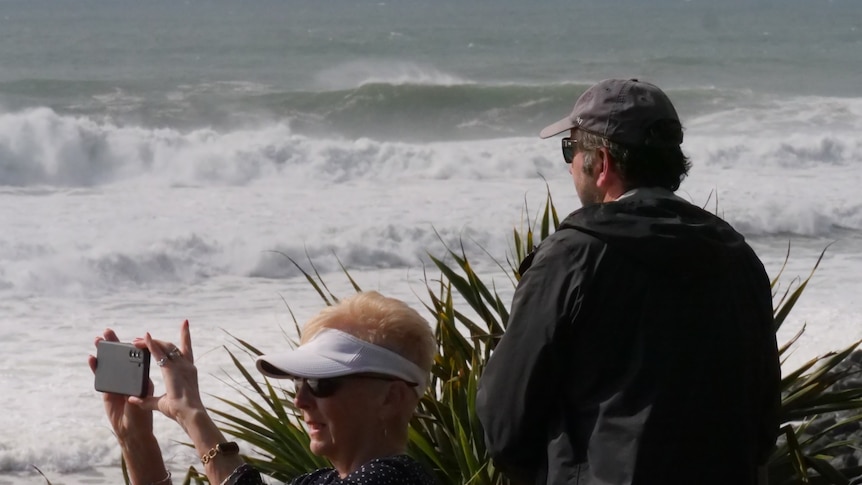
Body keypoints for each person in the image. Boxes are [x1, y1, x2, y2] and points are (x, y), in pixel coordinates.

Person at [475, 79, 780, 485]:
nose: (569, 164)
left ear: (601, 163)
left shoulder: (574, 257)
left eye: (571, 148)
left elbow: (505, 420)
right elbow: (762, 417)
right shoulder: (735, 256)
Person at [88, 291, 437, 485]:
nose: (300, 400)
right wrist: (136, 441)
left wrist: (192, 413)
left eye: (320, 382)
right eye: (299, 382)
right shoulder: (319, 482)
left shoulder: (394, 480)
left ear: (391, 397)